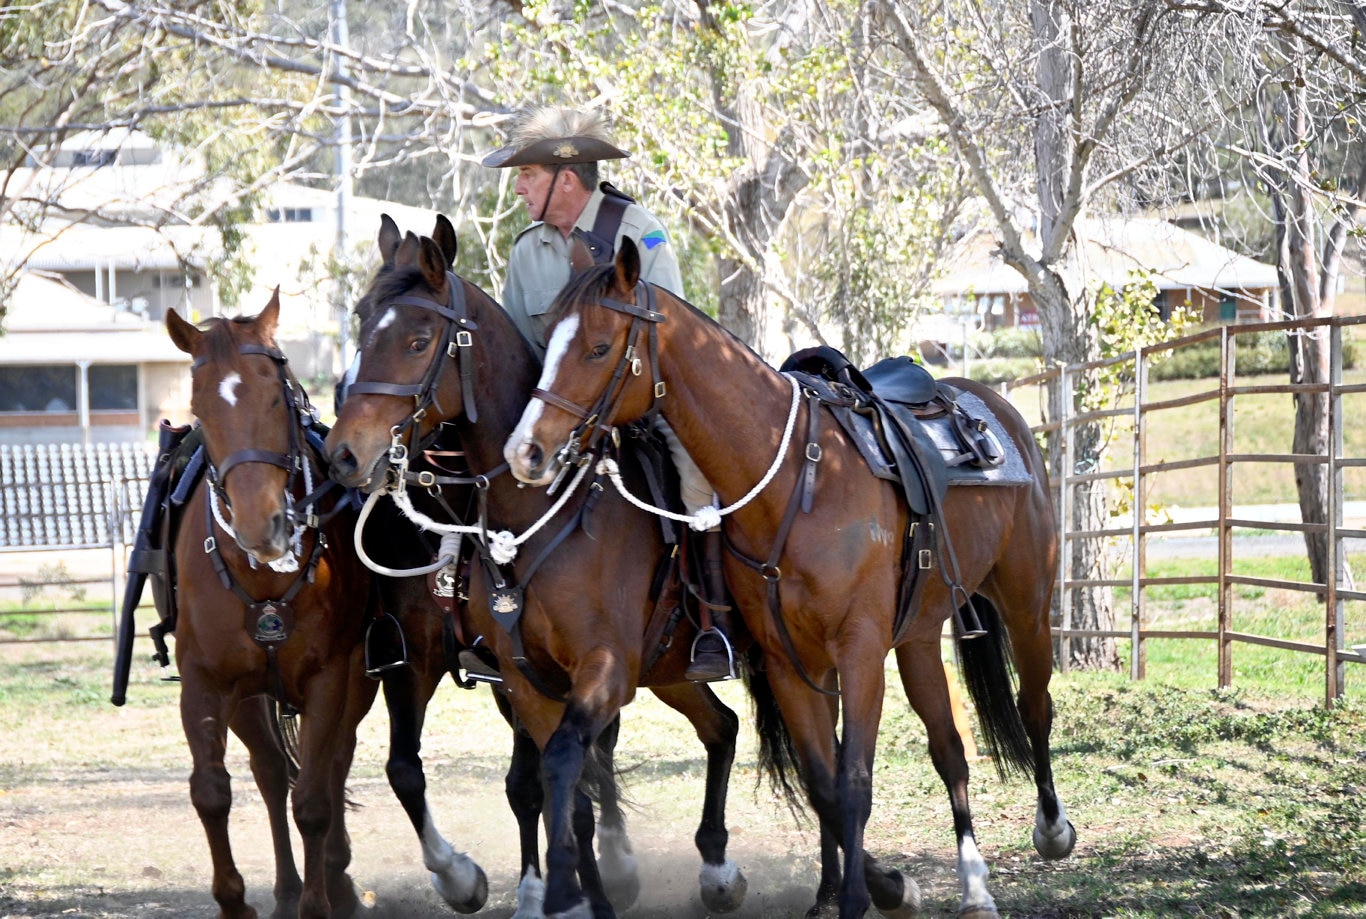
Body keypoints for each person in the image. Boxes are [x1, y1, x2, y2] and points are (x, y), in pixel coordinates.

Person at [483, 106, 735, 682]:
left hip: (647, 400)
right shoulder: (527, 251)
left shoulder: (636, 230)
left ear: (564, 179)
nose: (519, 187)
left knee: (698, 474)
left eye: (528, 175)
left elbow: (671, 332)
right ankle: (489, 616)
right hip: (565, 407)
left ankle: (713, 623)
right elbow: (525, 346)